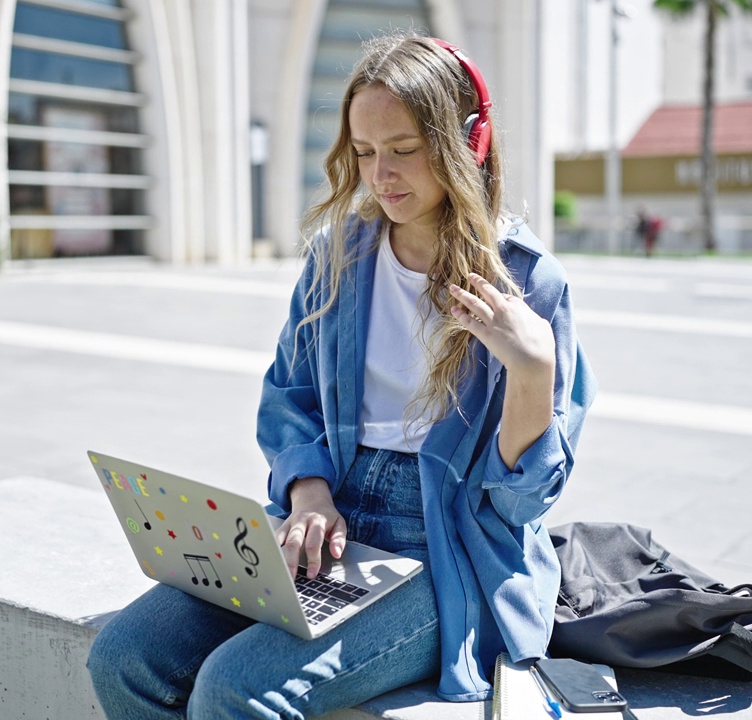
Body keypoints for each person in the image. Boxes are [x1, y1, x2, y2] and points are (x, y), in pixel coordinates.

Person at [86, 32, 596, 719]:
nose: (380, 173)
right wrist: (308, 491)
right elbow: (290, 394)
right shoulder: (340, 255)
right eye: (363, 152)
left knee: (235, 691)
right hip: (328, 521)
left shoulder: (528, 281)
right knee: (125, 659)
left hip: (447, 552)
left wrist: (532, 371)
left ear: (464, 144)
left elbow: (522, 505)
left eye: (404, 150)